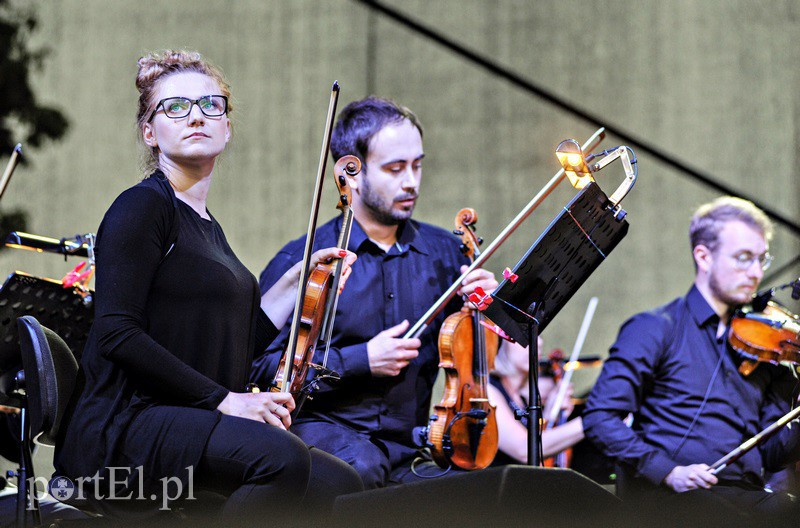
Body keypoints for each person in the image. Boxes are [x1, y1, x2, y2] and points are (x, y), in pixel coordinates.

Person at [54, 50, 362, 524]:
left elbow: (236, 343)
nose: (196, 115)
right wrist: (229, 401)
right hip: (125, 426)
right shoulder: (142, 207)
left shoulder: (209, 229)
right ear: (149, 133)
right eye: (175, 107)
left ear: (227, 127)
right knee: (281, 459)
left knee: (341, 483)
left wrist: (298, 283)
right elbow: (117, 334)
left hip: (185, 418)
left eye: (210, 105)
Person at [251, 96, 497, 489]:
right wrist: (360, 359)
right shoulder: (306, 261)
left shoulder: (446, 254)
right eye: (395, 168)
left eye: (417, 165)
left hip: (413, 445)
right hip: (329, 438)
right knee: (360, 471)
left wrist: (489, 307)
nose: (411, 181)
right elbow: (259, 369)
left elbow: (484, 350)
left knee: (476, 492)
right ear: (351, 174)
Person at [582, 197, 800, 520]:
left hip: (745, 496)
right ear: (704, 256)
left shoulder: (769, 348)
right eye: (743, 258)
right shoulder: (655, 328)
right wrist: (667, 471)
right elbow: (600, 416)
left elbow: (770, 453)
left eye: (761, 260)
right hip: (668, 495)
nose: (755, 273)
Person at [488, 337, 584, 466]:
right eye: (525, 336)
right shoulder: (488, 391)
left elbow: (537, 447)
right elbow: (524, 449)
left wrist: (548, 415)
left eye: (539, 335)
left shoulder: (522, 398)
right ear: (500, 343)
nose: (538, 343)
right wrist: (592, 421)